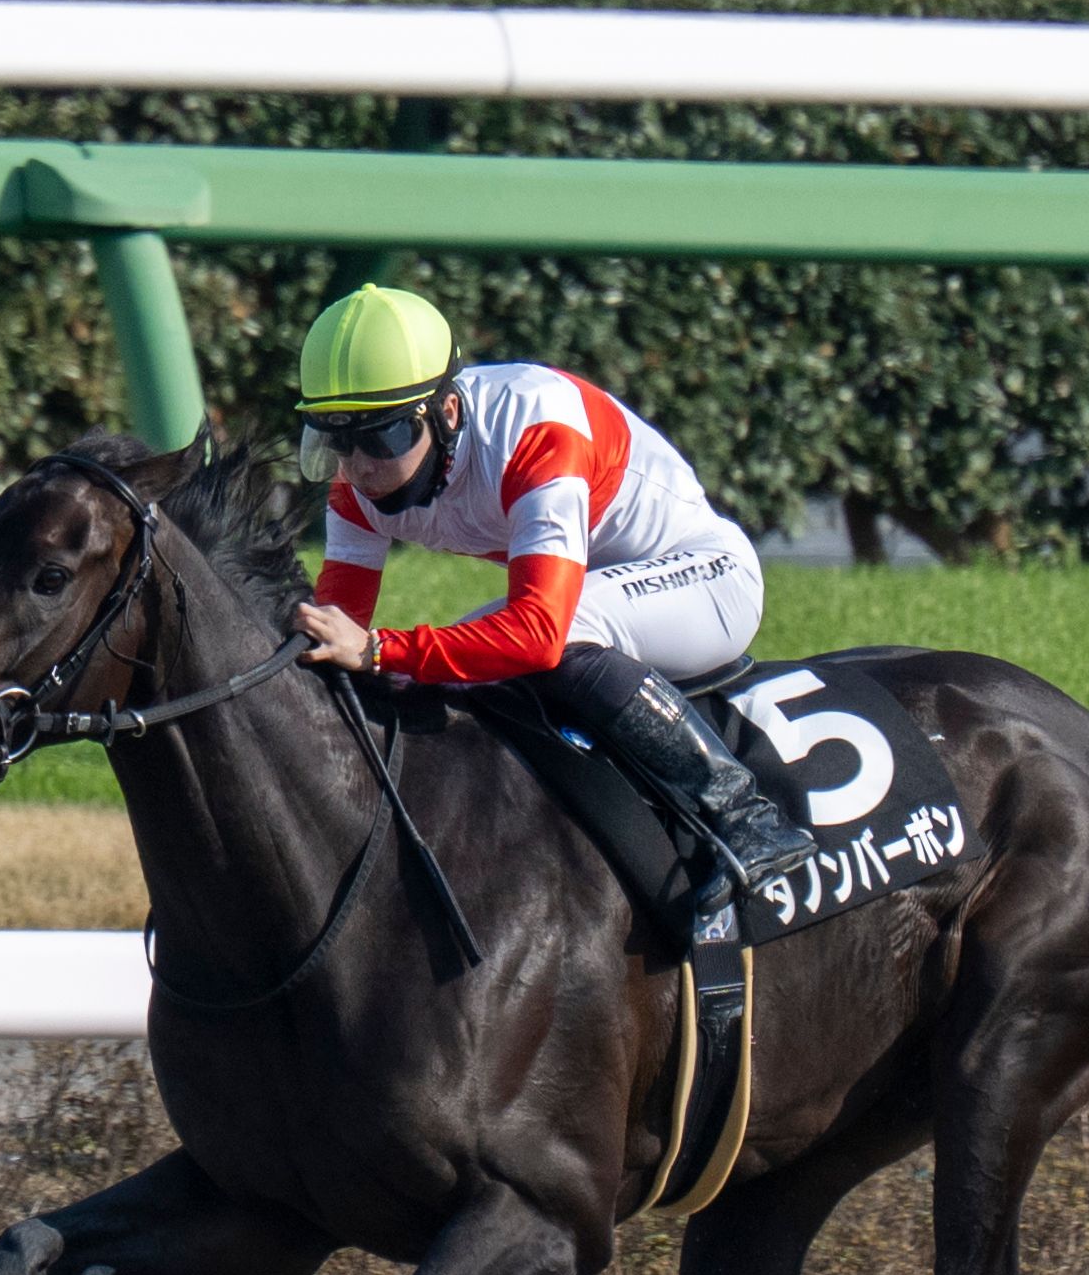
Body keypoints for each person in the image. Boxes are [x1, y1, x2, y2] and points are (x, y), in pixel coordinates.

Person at [288, 283, 818, 901]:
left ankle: (745, 817)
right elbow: (334, 631)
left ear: (447, 412)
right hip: (591, 592)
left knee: (554, 635)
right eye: (337, 438)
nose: (359, 467)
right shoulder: (356, 486)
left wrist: (380, 649)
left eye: (383, 438)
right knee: (445, 673)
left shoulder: (534, 428)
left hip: (704, 577)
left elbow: (538, 634)